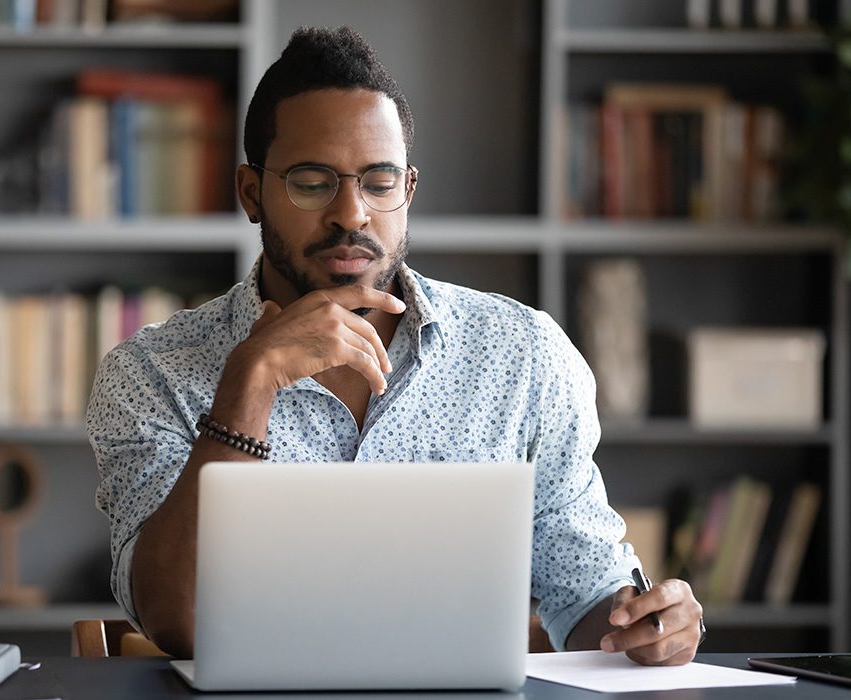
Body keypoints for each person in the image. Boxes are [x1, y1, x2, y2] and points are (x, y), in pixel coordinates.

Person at [86, 25, 704, 665]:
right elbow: (178, 622)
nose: (351, 214)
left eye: (378, 183)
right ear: (252, 193)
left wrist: (648, 627)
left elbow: (588, 596)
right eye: (311, 181)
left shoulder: (525, 357)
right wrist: (250, 382)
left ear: (407, 192)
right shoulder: (150, 373)